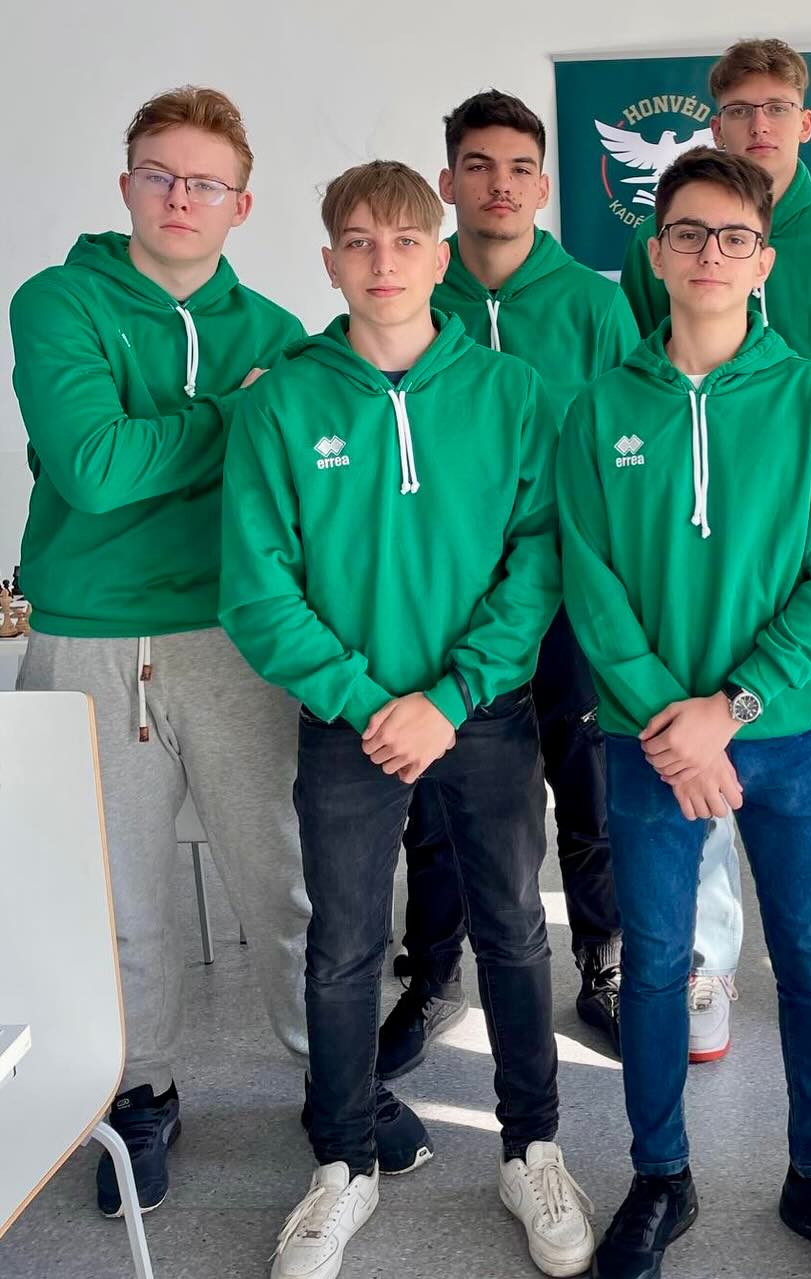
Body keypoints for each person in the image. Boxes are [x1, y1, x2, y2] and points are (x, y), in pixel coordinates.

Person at [221, 160, 593, 1279]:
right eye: (358, 242)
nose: (382, 262)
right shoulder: (281, 404)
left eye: (403, 241)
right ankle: (342, 1163)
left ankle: (532, 1150)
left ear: (439, 257)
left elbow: (540, 560)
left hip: (482, 711)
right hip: (350, 723)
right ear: (329, 262)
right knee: (342, 947)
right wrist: (367, 702)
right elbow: (258, 588)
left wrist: (451, 695)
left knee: (514, 931)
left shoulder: (514, 394)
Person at [560, 146, 811, 1279]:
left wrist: (734, 703)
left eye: (733, 238)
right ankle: (660, 1174)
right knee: (659, 962)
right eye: (687, 234)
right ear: (656, 254)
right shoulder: (602, 407)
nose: (709, 254)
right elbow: (590, 582)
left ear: (764, 261)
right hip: (650, 742)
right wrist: (677, 721)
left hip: (787, 733)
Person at [10, 85, 310, 1217]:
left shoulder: (277, 333)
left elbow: (298, 496)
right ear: (126, 184)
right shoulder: (59, 302)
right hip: (88, 641)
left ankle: (328, 1071)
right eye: (159, 174)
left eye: (205, 183)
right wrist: (234, 415)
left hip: (236, 635)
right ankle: (141, 1091)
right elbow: (92, 468)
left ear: (242, 204)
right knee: (119, 896)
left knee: (282, 876)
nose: (181, 197)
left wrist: (179, 435)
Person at [621, 36, 811, 1064]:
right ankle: (711, 963)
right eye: (738, 109)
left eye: (776, 107)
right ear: (716, 122)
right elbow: (655, 376)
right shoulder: (665, 243)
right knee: (700, 757)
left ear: (805, 121)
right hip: (698, 543)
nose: (758, 124)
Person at [374, 89, 638, 1079]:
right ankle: (435, 970)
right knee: (437, 795)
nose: (499, 184)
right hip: (444, 602)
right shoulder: (412, 291)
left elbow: (633, 447)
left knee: (588, 784)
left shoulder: (594, 307)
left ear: (543, 185)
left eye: (519, 168)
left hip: (568, 595)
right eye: (478, 166)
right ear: (447, 182)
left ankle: (604, 964)